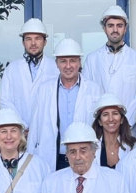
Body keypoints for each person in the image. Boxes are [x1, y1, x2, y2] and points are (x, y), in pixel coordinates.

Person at [28, 38, 101, 172]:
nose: (68, 66)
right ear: (56, 63)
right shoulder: (44, 89)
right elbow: (35, 128)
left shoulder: (94, 89)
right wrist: (30, 157)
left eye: (72, 60)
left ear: (80, 62)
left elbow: (99, 129)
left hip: (83, 158)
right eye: (63, 61)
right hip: (54, 159)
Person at [84, 5, 136, 128]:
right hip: (100, 127)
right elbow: (88, 95)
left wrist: (125, 122)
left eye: (119, 25)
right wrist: (101, 121)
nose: (115, 30)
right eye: (110, 26)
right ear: (104, 29)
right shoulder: (92, 59)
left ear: (125, 29)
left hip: (128, 128)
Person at [0, 18, 59, 121]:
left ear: (45, 42)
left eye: (38, 38)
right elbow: (5, 101)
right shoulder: (12, 69)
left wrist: (39, 127)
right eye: (28, 39)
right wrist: (21, 126)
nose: (33, 43)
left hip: (46, 129)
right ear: (23, 43)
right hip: (19, 131)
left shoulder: (56, 67)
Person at [92, 93, 136, 170]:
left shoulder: (133, 147)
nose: (111, 119)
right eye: (105, 114)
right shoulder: (91, 147)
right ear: (99, 121)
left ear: (122, 119)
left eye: (115, 113)